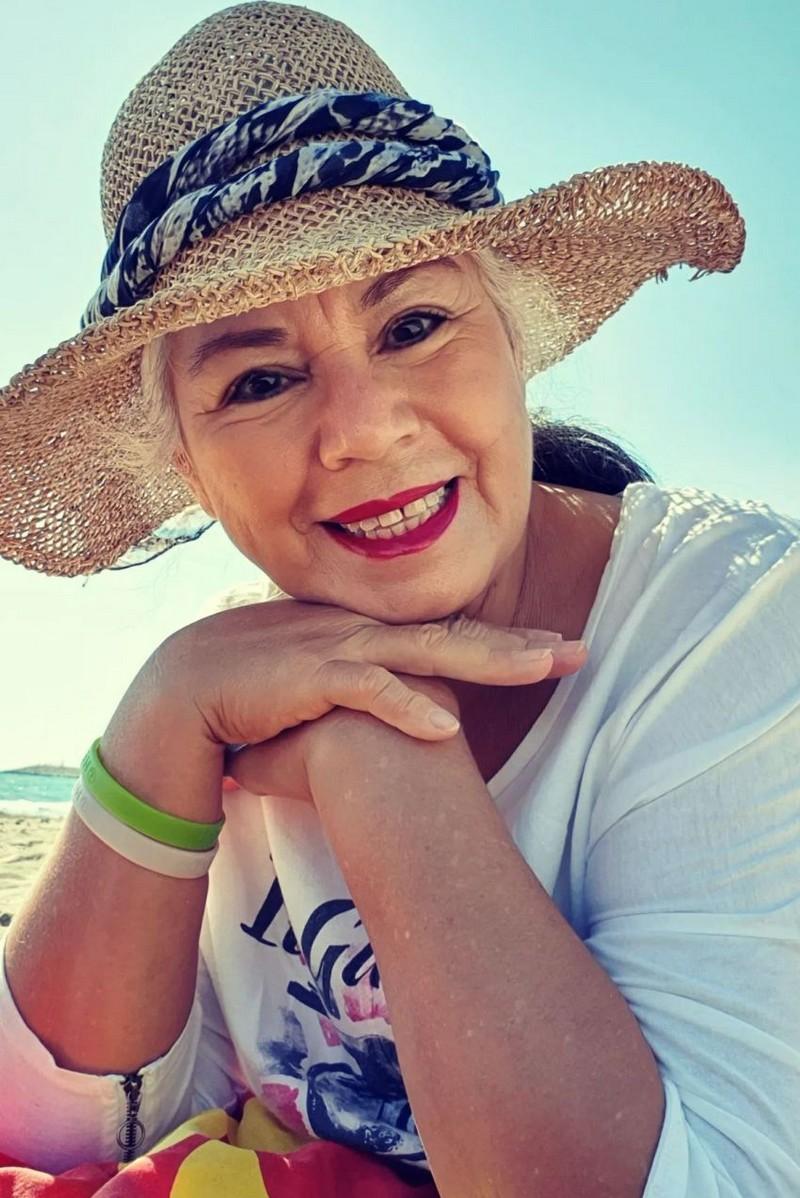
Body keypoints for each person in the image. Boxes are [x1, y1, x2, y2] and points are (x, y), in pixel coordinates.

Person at [0, 4, 797, 1196]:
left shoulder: (735, 623)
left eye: (413, 324)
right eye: (258, 380)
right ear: (185, 467)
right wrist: (159, 710)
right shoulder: (229, 691)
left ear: (515, 339)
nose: (364, 429)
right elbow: (66, 1132)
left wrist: (383, 756)